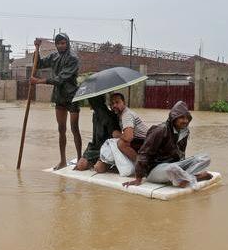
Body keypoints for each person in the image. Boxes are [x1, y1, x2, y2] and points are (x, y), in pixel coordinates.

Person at [123, 100, 213, 189]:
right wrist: (138, 178)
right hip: (155, 170)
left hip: (174, 165)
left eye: (187, 118)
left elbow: (181, 153)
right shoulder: (160, 130)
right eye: (182, 118)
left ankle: (184, 179)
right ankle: (193, 178)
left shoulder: (184, 132)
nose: (185, 121)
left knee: (205, 158)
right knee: (172, 168)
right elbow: (144, 154)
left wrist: (184, 167)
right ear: (174, 118)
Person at [30, 33, 82, 170]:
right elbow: (39, 64)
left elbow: (60, 79)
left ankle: (80, 158)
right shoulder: (54, 56)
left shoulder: (73, 58)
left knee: (74, 128)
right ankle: (63, 160)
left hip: (72, 95)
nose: (61, 46)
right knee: (61, 129)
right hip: (59, 96)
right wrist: (37, 49)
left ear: (67, 43)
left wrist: (40, 81)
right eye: (58, 43)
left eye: (63, 43)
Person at [94, 92, 149, 173]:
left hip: (146, 142)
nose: (114, 106)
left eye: (117, 102)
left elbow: (128, 137)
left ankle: (142, 166)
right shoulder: (120, 115)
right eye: (112, 104)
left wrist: (117, 134)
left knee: (121, 143)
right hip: (141, 141)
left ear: (124, 103)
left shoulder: (126, 115)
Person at [73, 94, 120, 171]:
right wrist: (85, 154)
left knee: (98, 168)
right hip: (96, 148)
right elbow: (94, 139)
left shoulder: (111, 116)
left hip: (107, 149)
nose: (89, 103)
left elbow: (115, 137)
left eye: (90, 101)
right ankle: (96, 161)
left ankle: (108, 163)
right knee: (81, 165)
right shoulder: (95, 115)